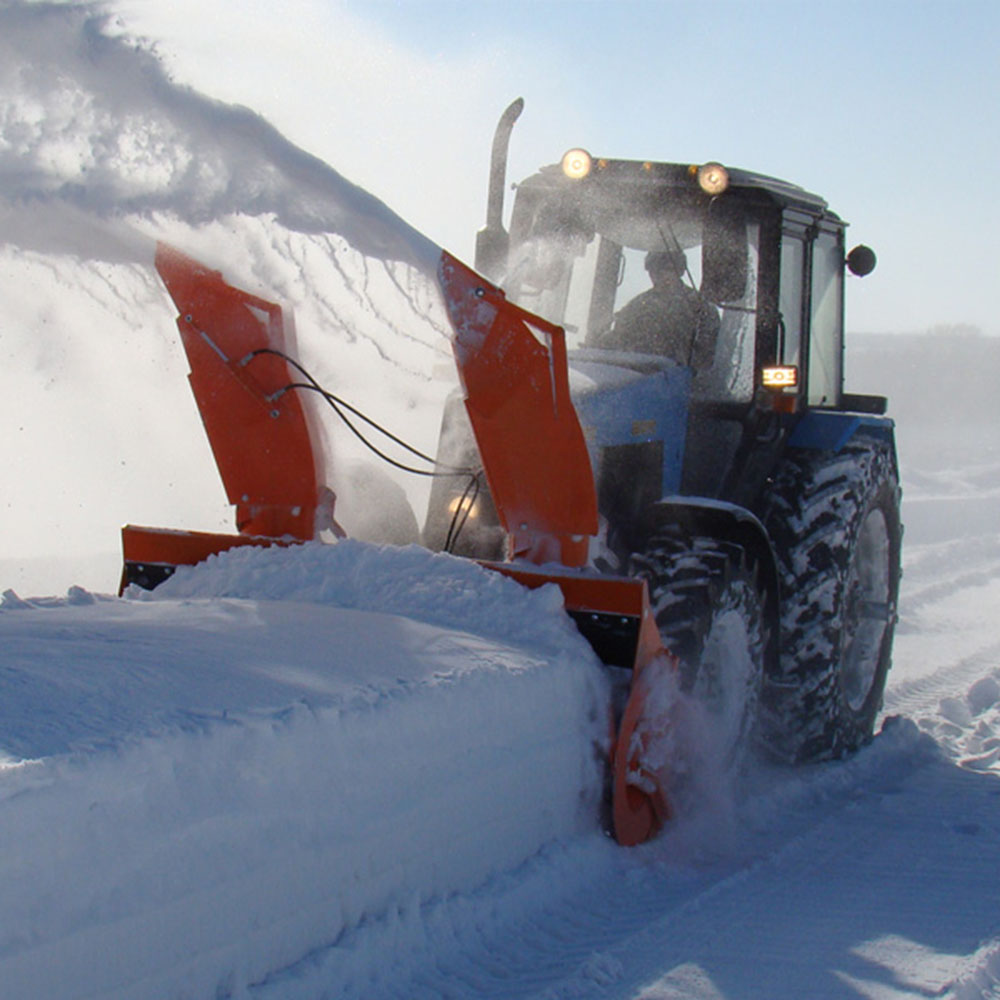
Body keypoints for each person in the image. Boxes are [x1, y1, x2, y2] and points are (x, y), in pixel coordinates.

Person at [600, 248, 720, 369]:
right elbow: (618, 339)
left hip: (678, 380)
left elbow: (707, 361)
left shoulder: (701, 308)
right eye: (654, 271)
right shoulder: (638, 305)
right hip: (637, 376)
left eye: (665, 270)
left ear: (679, 271)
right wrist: (601, 343)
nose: (658, 276)